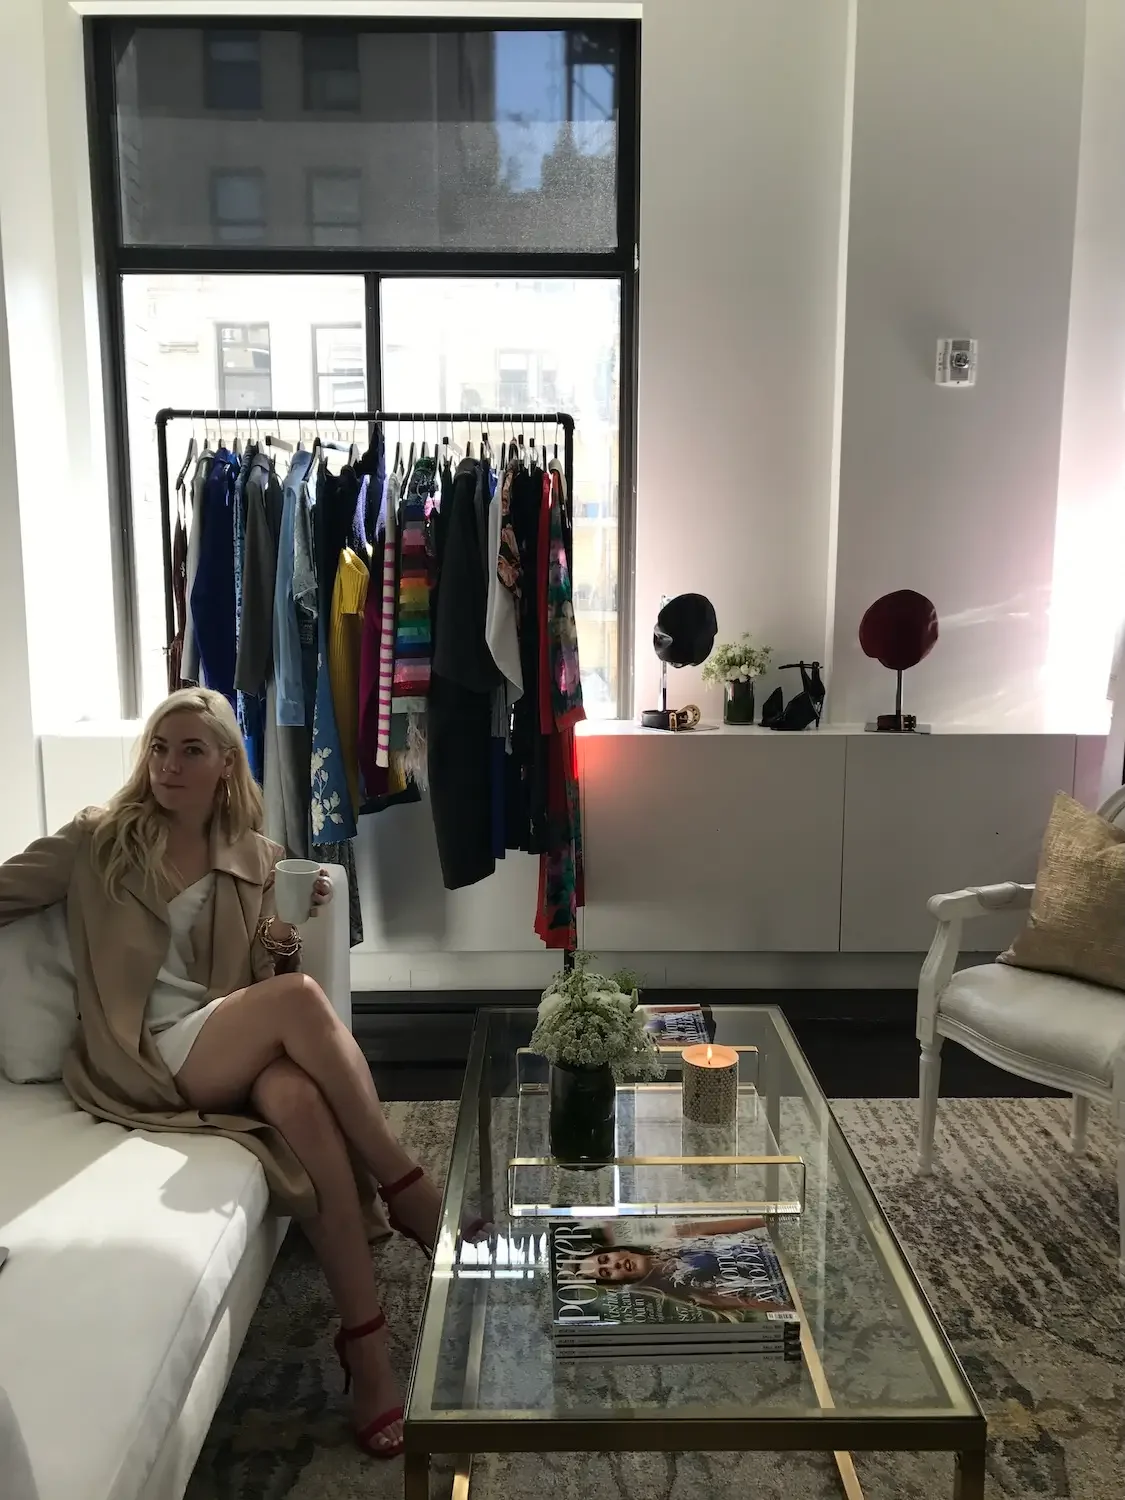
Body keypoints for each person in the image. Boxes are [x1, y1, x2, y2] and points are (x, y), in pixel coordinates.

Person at [0, 687, 468, 1461]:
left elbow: (255, 981)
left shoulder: (258, 858)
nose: (169, 766)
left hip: (217, 1042)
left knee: (299, 1102)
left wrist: (284, 931)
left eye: (191, 751)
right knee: (299, 1002)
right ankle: (407, 1185)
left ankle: (366, 1343)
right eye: (159, 748)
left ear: (225, 764)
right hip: (139, 1057)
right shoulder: (96, 840)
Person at [574, 1217, 786, 1315]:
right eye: (606, 1272)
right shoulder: (677, 1294)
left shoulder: (671, 1238)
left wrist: (774, 1219)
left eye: (605, 1259)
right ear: (617, 1281)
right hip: (783, 1282)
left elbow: (726, 1226)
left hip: (780, 1245)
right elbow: (748, 1302)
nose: (615, 1265)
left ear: (619, 1250)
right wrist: (792, 1306)